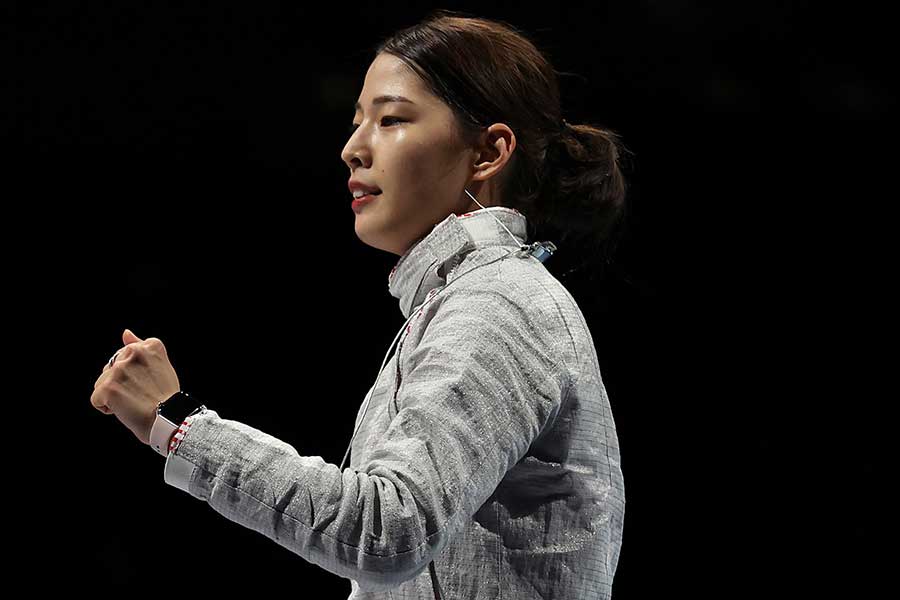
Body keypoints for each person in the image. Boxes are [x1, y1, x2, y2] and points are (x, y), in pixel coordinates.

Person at [91, 10, 628, 599]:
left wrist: (178, 423)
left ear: (488, 152)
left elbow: (386, 530)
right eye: (357, 123)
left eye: (392, 119)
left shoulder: (498, 302)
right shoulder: (459, 302)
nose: (353, 149)